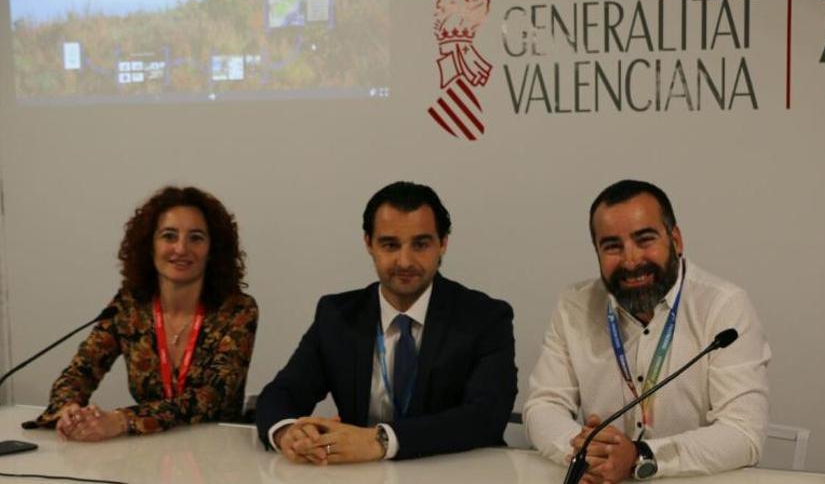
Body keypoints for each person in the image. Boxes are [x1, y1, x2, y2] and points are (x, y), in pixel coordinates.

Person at [523, 180, 770, 483]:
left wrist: (640, 456)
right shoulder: (574, 305)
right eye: (612, 246)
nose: (631, 259)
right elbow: (543, 406)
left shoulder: (724, 306)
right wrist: (585, 452)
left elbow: (743, 433)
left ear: (676, 240)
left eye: (645, 240)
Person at [256, 181, 517, 463]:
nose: (405, 261)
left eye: (421, 244)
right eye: (390, 244)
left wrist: (381, 440)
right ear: (368, 243)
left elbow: (485, 416)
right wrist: (287, 433)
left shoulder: (485, 318)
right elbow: (282, 393)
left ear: (443, 243)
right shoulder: (337, 315)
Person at [27, 186, 259, 441]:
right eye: (169, 236)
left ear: (213, 249)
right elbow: (80, 372)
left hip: (217, 452)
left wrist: (122, 420)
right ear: (149, 246)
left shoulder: (237, 310)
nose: (181, 248)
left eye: (196, 238)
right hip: (147, 452)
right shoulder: (129, 307)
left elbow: (211, 398)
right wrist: (68, 409)